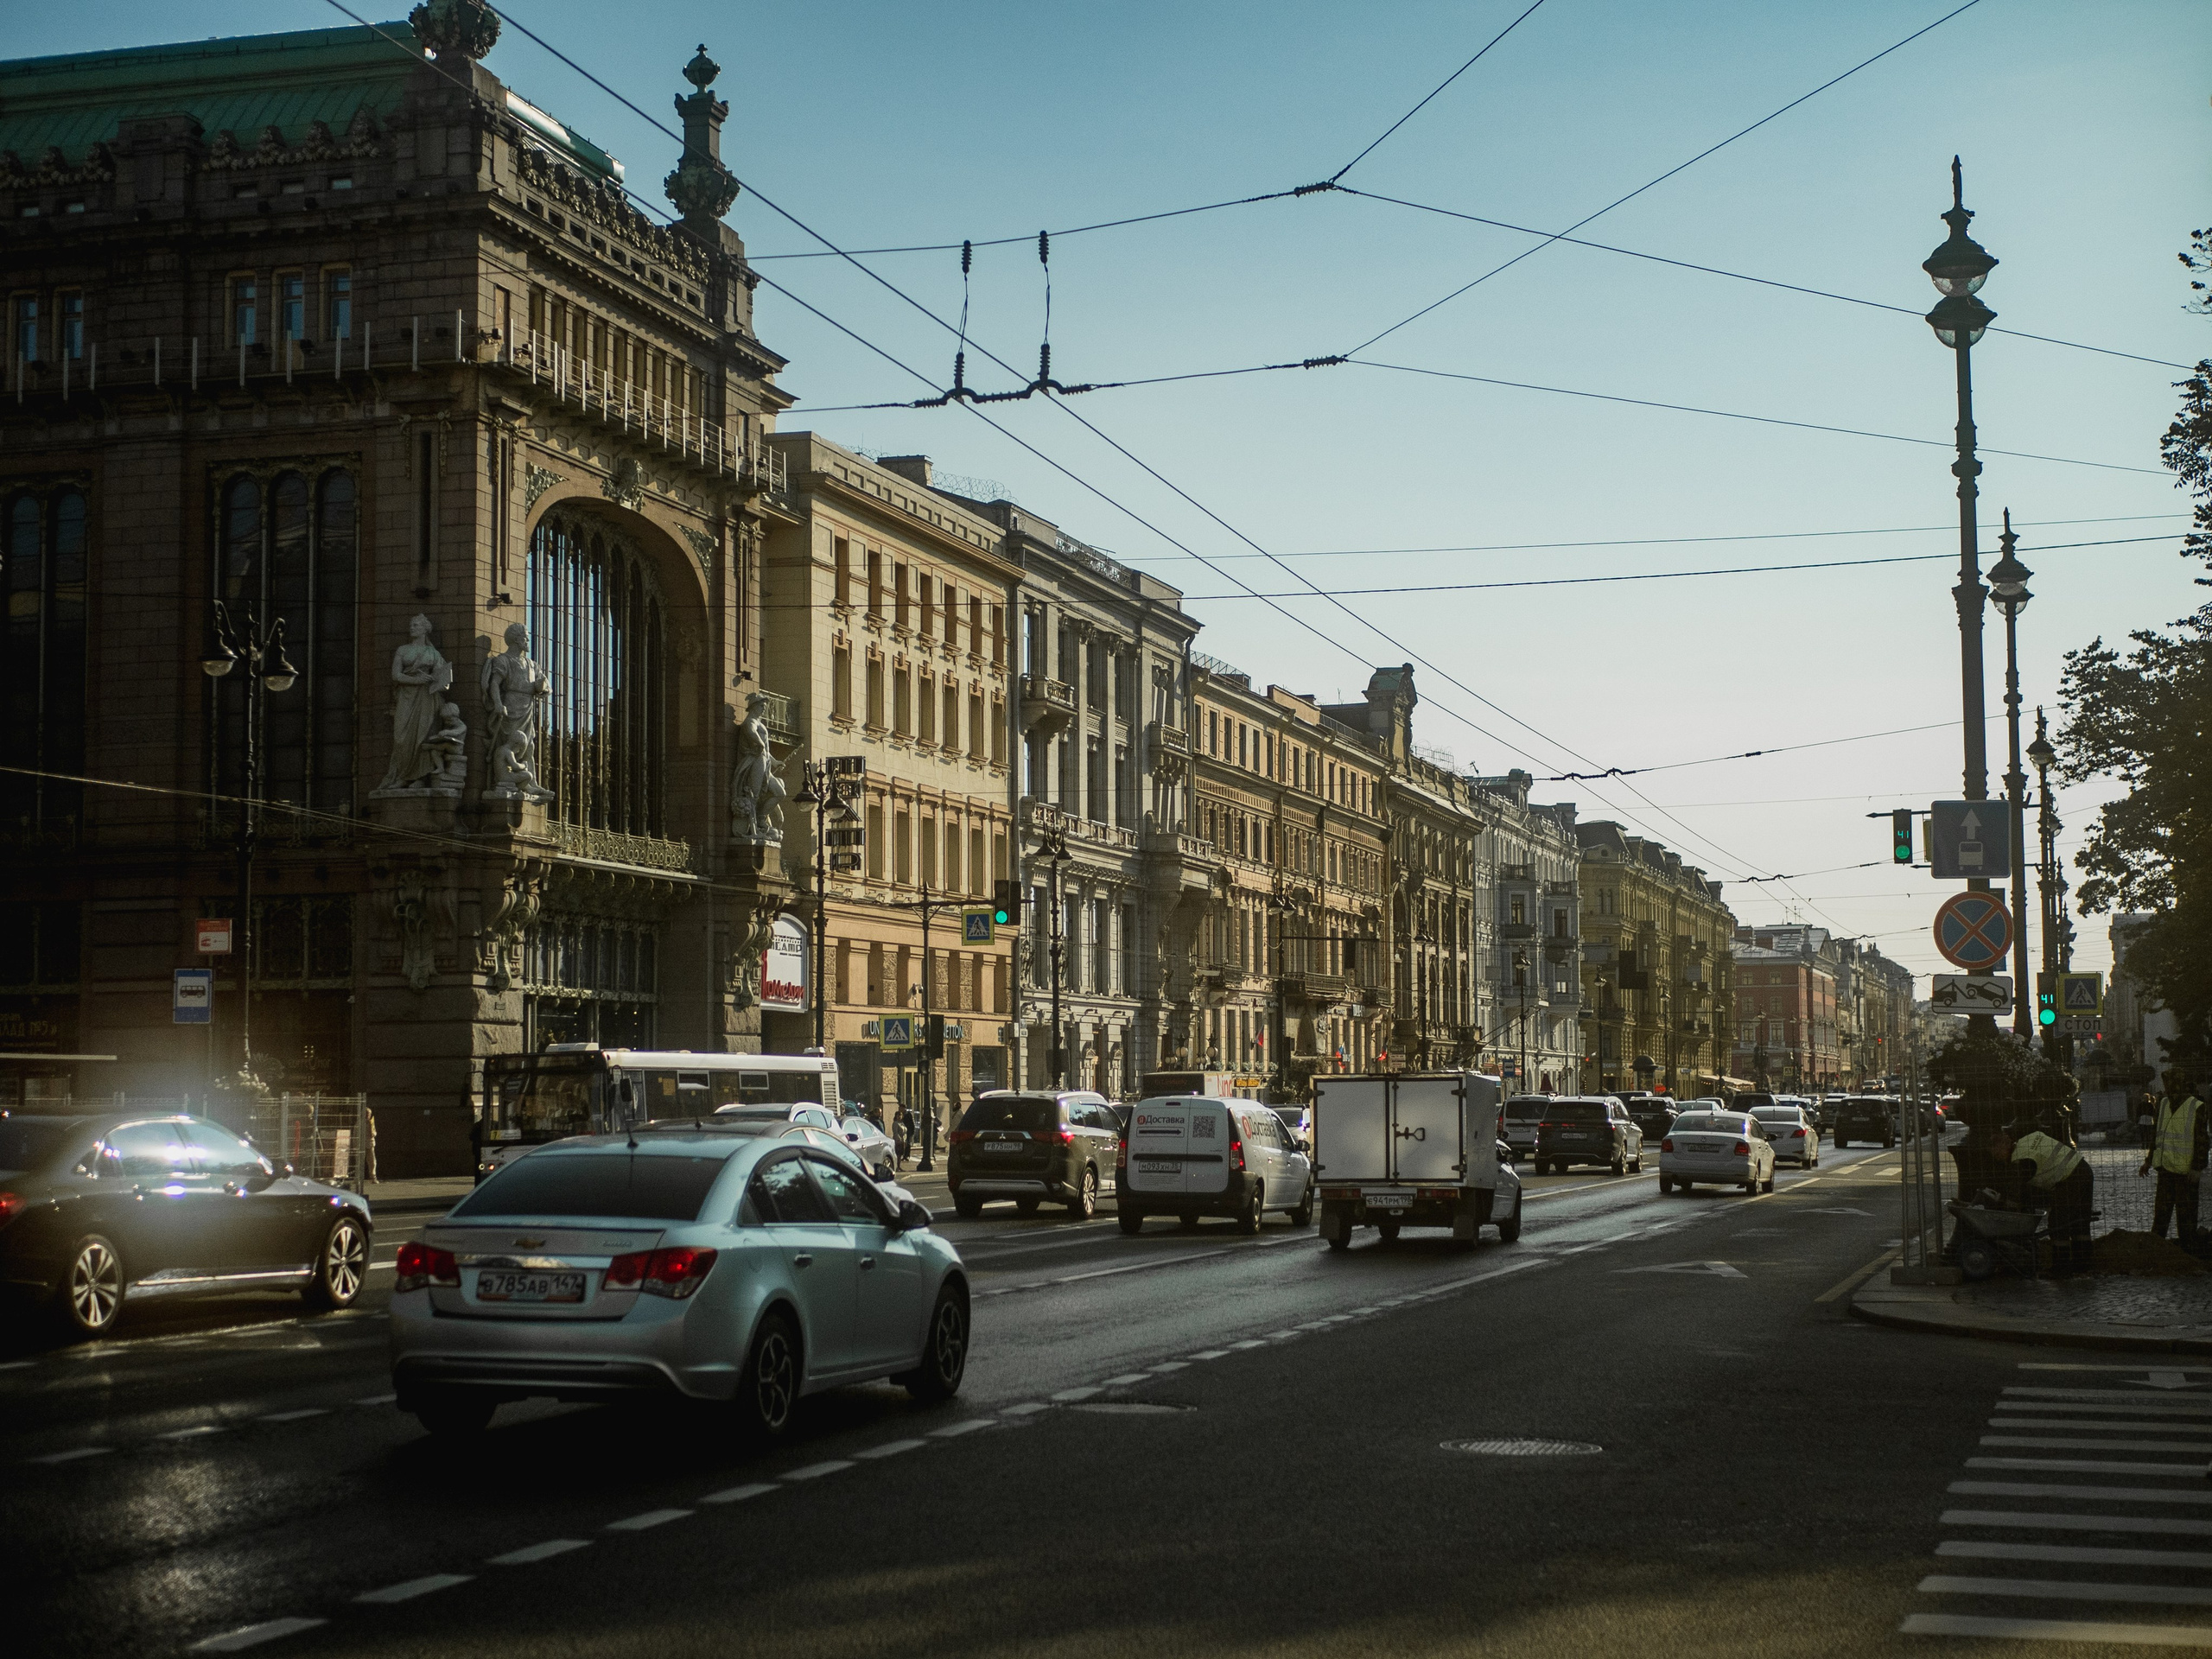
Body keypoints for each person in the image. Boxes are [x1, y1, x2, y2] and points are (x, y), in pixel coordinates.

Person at [1987, 1121, 2094, 1275]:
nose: (1998, 1159)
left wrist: (2006, 1209)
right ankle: (2083, 1266)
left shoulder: (2019, 1160)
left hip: (2069, 1179)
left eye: (1997, 1154)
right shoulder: (2028, 1140)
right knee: (2080, 1221)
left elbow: (2018, 1193)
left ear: (2002, 1147)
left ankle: (2061, 1269)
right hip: (2083, 1169)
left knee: (2058, 1222)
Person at [2139, 1071, 2208, 1248]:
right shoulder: (2163, 1104)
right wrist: (2149, 1160)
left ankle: (2188, 1252)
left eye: (2171, 1084)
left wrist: (2197, 1168)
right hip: (2166, 1168)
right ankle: (2158, 1251)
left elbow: (2202, 1140)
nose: (2169, 1088)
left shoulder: (2196, 1106)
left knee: (2186, 1218)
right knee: (2161, 1215)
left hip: (2185, 1173)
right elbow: (2157, 1136)